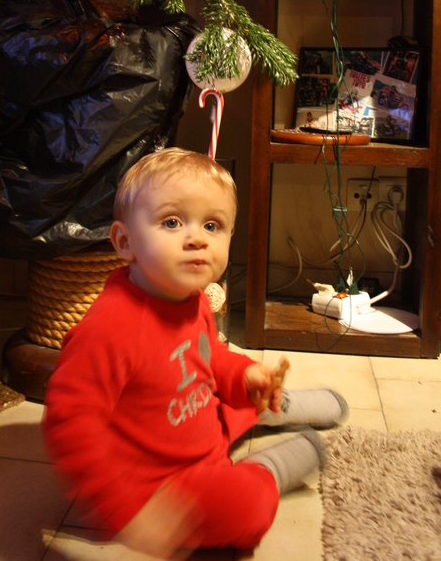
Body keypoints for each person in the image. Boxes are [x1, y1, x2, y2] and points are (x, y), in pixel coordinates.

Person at [42, 148, 348, 557]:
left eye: (212, 225)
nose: (198, 238)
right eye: (172, 222)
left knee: (238, 395)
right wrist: (125, 509)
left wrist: (243, 375)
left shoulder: (192, 297)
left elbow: (207, 360)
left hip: (198, 419)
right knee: (245, 508)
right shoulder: (109, 329)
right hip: (159, 482)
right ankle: (270, 468)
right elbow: (70, 423)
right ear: (125, 242)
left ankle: (275, 405)